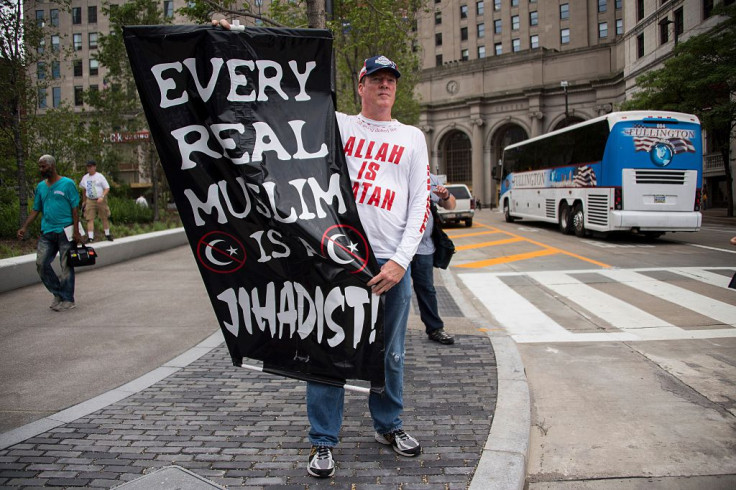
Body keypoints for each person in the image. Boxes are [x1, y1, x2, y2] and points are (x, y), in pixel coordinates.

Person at [213, 19, 430, 478]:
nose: (385, 86)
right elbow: (278, 102)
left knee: (389, 354)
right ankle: (323, 440)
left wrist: (400, 261)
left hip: (393, 265)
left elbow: (419, 204)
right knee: (327, 352)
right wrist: (236, 35)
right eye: (377, 80)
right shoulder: (337, 125)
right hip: (340, 261)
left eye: (390, 81)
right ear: (361, 86)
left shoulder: (413, 137)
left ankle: (388, 424)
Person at [17, 155, 83, 311]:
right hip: (47, 231)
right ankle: (58, 293)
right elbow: (36, 209)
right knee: (41, 264)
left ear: (52, 166)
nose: (41, 169)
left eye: (43, 166)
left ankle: (68, 299)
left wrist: (76, 231)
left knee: (66, 265)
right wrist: (24, 227)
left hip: (65, 231)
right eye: (40, 166)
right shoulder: (40, 187)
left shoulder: (67, 184)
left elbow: (75, 208)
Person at [411, 174, 456, 345]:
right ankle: (385, 331)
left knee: (427, 289)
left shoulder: (431, 179)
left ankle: (435, 328)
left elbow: (451, 205)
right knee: (395, 292)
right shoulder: (396, 170)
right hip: (397, 247)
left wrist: (445, 196)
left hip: (424, 247)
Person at [79, 160, 113, 242]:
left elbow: (107, 188)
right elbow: (83, 189)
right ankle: (90, 237)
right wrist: (84, 200)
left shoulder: (99, 176)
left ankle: (107, 234)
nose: (89, 168)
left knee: (104, 216)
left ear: (94, 167)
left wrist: (102, 196)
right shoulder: (85, 177)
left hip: (100, 199)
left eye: (91, 167)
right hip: (90, 199)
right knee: (89, 218)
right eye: (88, 167)